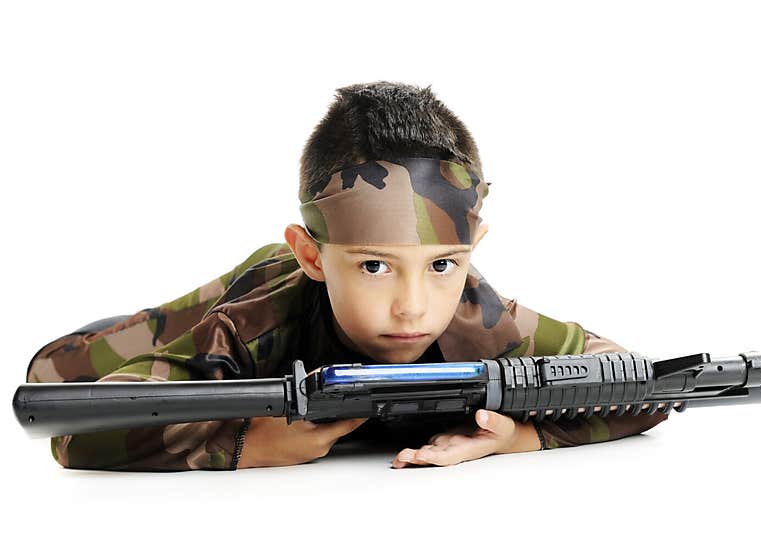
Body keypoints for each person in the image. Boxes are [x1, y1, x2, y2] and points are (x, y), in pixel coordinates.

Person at [25, 81, 670, 471]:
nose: (414, 308)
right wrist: (249, 445)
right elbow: (76, 429)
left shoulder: (481, 316)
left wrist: (521, 437)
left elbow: (643, 385)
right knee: (54, 369)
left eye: (443, 265)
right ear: (314, 255)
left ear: (474, 248)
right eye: (373, 266)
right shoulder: (247, 330)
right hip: (256, 292)